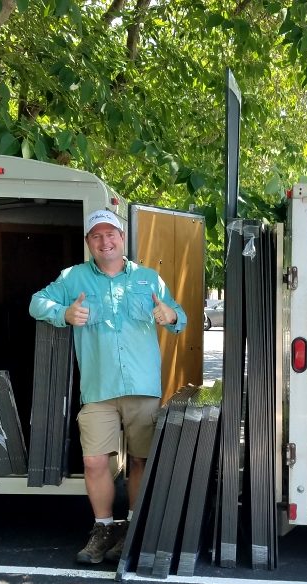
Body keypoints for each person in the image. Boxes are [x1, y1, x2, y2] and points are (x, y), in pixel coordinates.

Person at [29, 209, 186, 564]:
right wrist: (63, 314)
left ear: (122, 238)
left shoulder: (148, 279)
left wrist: (170, 316)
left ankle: (132, 526)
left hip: (142, 387)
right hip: (98, 388)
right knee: (94, 461)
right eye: (97, 236)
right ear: (89, 243)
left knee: (141, 461)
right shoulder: (73, 278)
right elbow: (37, 302)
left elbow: (179, 315)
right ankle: (103, 528)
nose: (105, 241)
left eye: (110, 234)